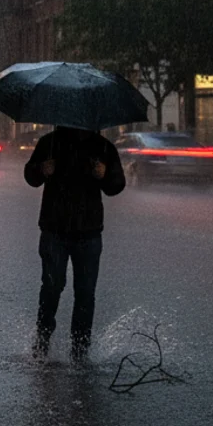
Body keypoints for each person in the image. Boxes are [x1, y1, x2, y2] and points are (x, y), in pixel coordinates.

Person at [24, 125, 125, 361]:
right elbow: (30, 176)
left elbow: (117, 185)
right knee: (52, 287)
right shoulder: (50, 143)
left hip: (88, 232)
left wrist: (105, 175)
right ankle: (43, 339)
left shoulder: (102, 147)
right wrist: (41, 170)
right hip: (54, 229)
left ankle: (80, 349)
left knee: (85, 292)